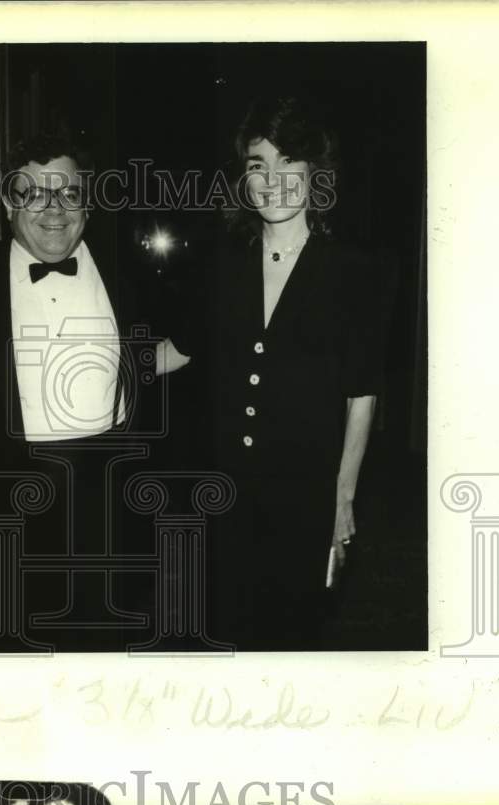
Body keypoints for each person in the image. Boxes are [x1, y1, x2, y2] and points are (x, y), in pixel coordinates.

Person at [0, 133, 175, 650]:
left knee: (108, 657)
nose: (52, 209)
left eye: (67, 193)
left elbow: (184, 344)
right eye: (33, 194)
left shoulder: (130, 271)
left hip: (113, 499)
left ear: (86, 203)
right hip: (9, 509)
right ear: (7, 205)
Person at [168, 96, 393, 650]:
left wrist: (342, 499)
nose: (272, 181)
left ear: (315, 175)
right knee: (224, 634)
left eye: (288, 162)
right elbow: (177, 351)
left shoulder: (354, 274)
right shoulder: (222, 266)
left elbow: (360, 397)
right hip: (221, 496)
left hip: (305, 496)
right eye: (256, 165)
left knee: (293, 638)